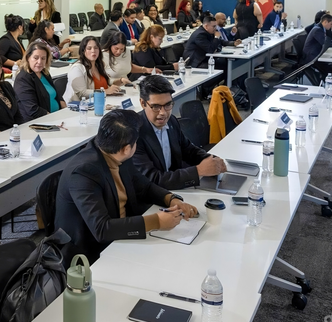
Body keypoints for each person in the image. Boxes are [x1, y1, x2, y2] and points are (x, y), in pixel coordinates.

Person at [53, 109, 198, 264]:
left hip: (121, 235)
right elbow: (102, 229)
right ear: (127, 148)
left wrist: (171, 199)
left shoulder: (115, 152)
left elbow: (144, 186)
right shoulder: (83, 172)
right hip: (91, 253)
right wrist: (156, 221)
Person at [132, 76, 227, 189]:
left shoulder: (172, 121)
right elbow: (153, 179)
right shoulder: (134, 134)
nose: (163, 113)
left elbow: (188, 149)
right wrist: (198, 171)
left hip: (175, 188)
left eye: (168, 105)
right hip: (151, 197)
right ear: (143, 103)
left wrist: (211, 160)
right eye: (156, 106)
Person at [13, 41, 66, 121]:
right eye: (36, 58)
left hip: (56, 118)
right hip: (37, 123)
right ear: (28, 58)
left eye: (43, 58)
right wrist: (54, 119)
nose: (39, 62)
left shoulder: (45, 73)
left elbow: (56, 96)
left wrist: (66, 112)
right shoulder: (23, 79)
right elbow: (33, 110)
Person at [63, 36, 120, 103]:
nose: (93, 51)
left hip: (101, 102)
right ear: (83, 51)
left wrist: (120, 80)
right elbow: (81, 94)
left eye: (96, 48)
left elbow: (104, 81)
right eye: (89, 48)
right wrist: (105, 91)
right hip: (82, 107)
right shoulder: (77, 68)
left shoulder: (98, 65)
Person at [303, 13, 332, 82]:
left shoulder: (322, 28)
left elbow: (329, 41)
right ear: (325, 22)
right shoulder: (317, 30)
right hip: (313, 56)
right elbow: (325, 43)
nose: (331, 26)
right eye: (331, 24)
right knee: (331, 68)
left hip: (318, 52)